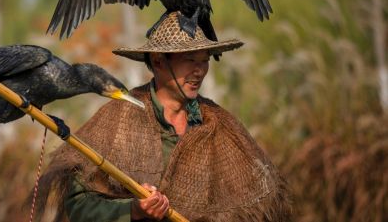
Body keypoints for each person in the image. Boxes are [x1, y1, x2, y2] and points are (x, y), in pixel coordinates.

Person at [36, 12, 291, 221]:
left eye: (204, 60)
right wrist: (132, 210)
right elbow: (80, 206)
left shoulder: (220, 124)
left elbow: (254, 202)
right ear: (158, 61)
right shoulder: (119, 117)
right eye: (190, 59)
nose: (199, 70)